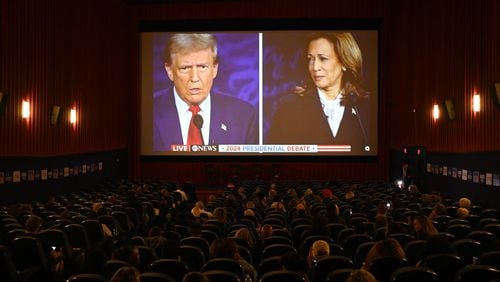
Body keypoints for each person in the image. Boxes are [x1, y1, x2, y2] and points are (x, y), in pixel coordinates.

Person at [267, 32, 373, 153]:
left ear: (344, 63)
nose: (315, 67)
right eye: (310, 59)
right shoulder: (289, 107)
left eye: (323, 58)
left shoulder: (366, 107)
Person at [154, 33, 258, 150]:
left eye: (202, 67)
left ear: (214, 69)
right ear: (170, 71)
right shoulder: (149, 111)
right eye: (185, 68)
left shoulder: (244, 115)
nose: (194, 78)